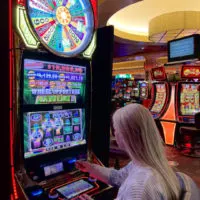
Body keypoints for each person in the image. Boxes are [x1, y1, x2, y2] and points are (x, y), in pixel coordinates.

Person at [75, 104, 200, 200]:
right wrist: (90, 168)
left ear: (127, 135)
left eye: (116, 129)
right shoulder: (147, 164)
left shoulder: (139, 187)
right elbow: (118, 177)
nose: (115, 134)